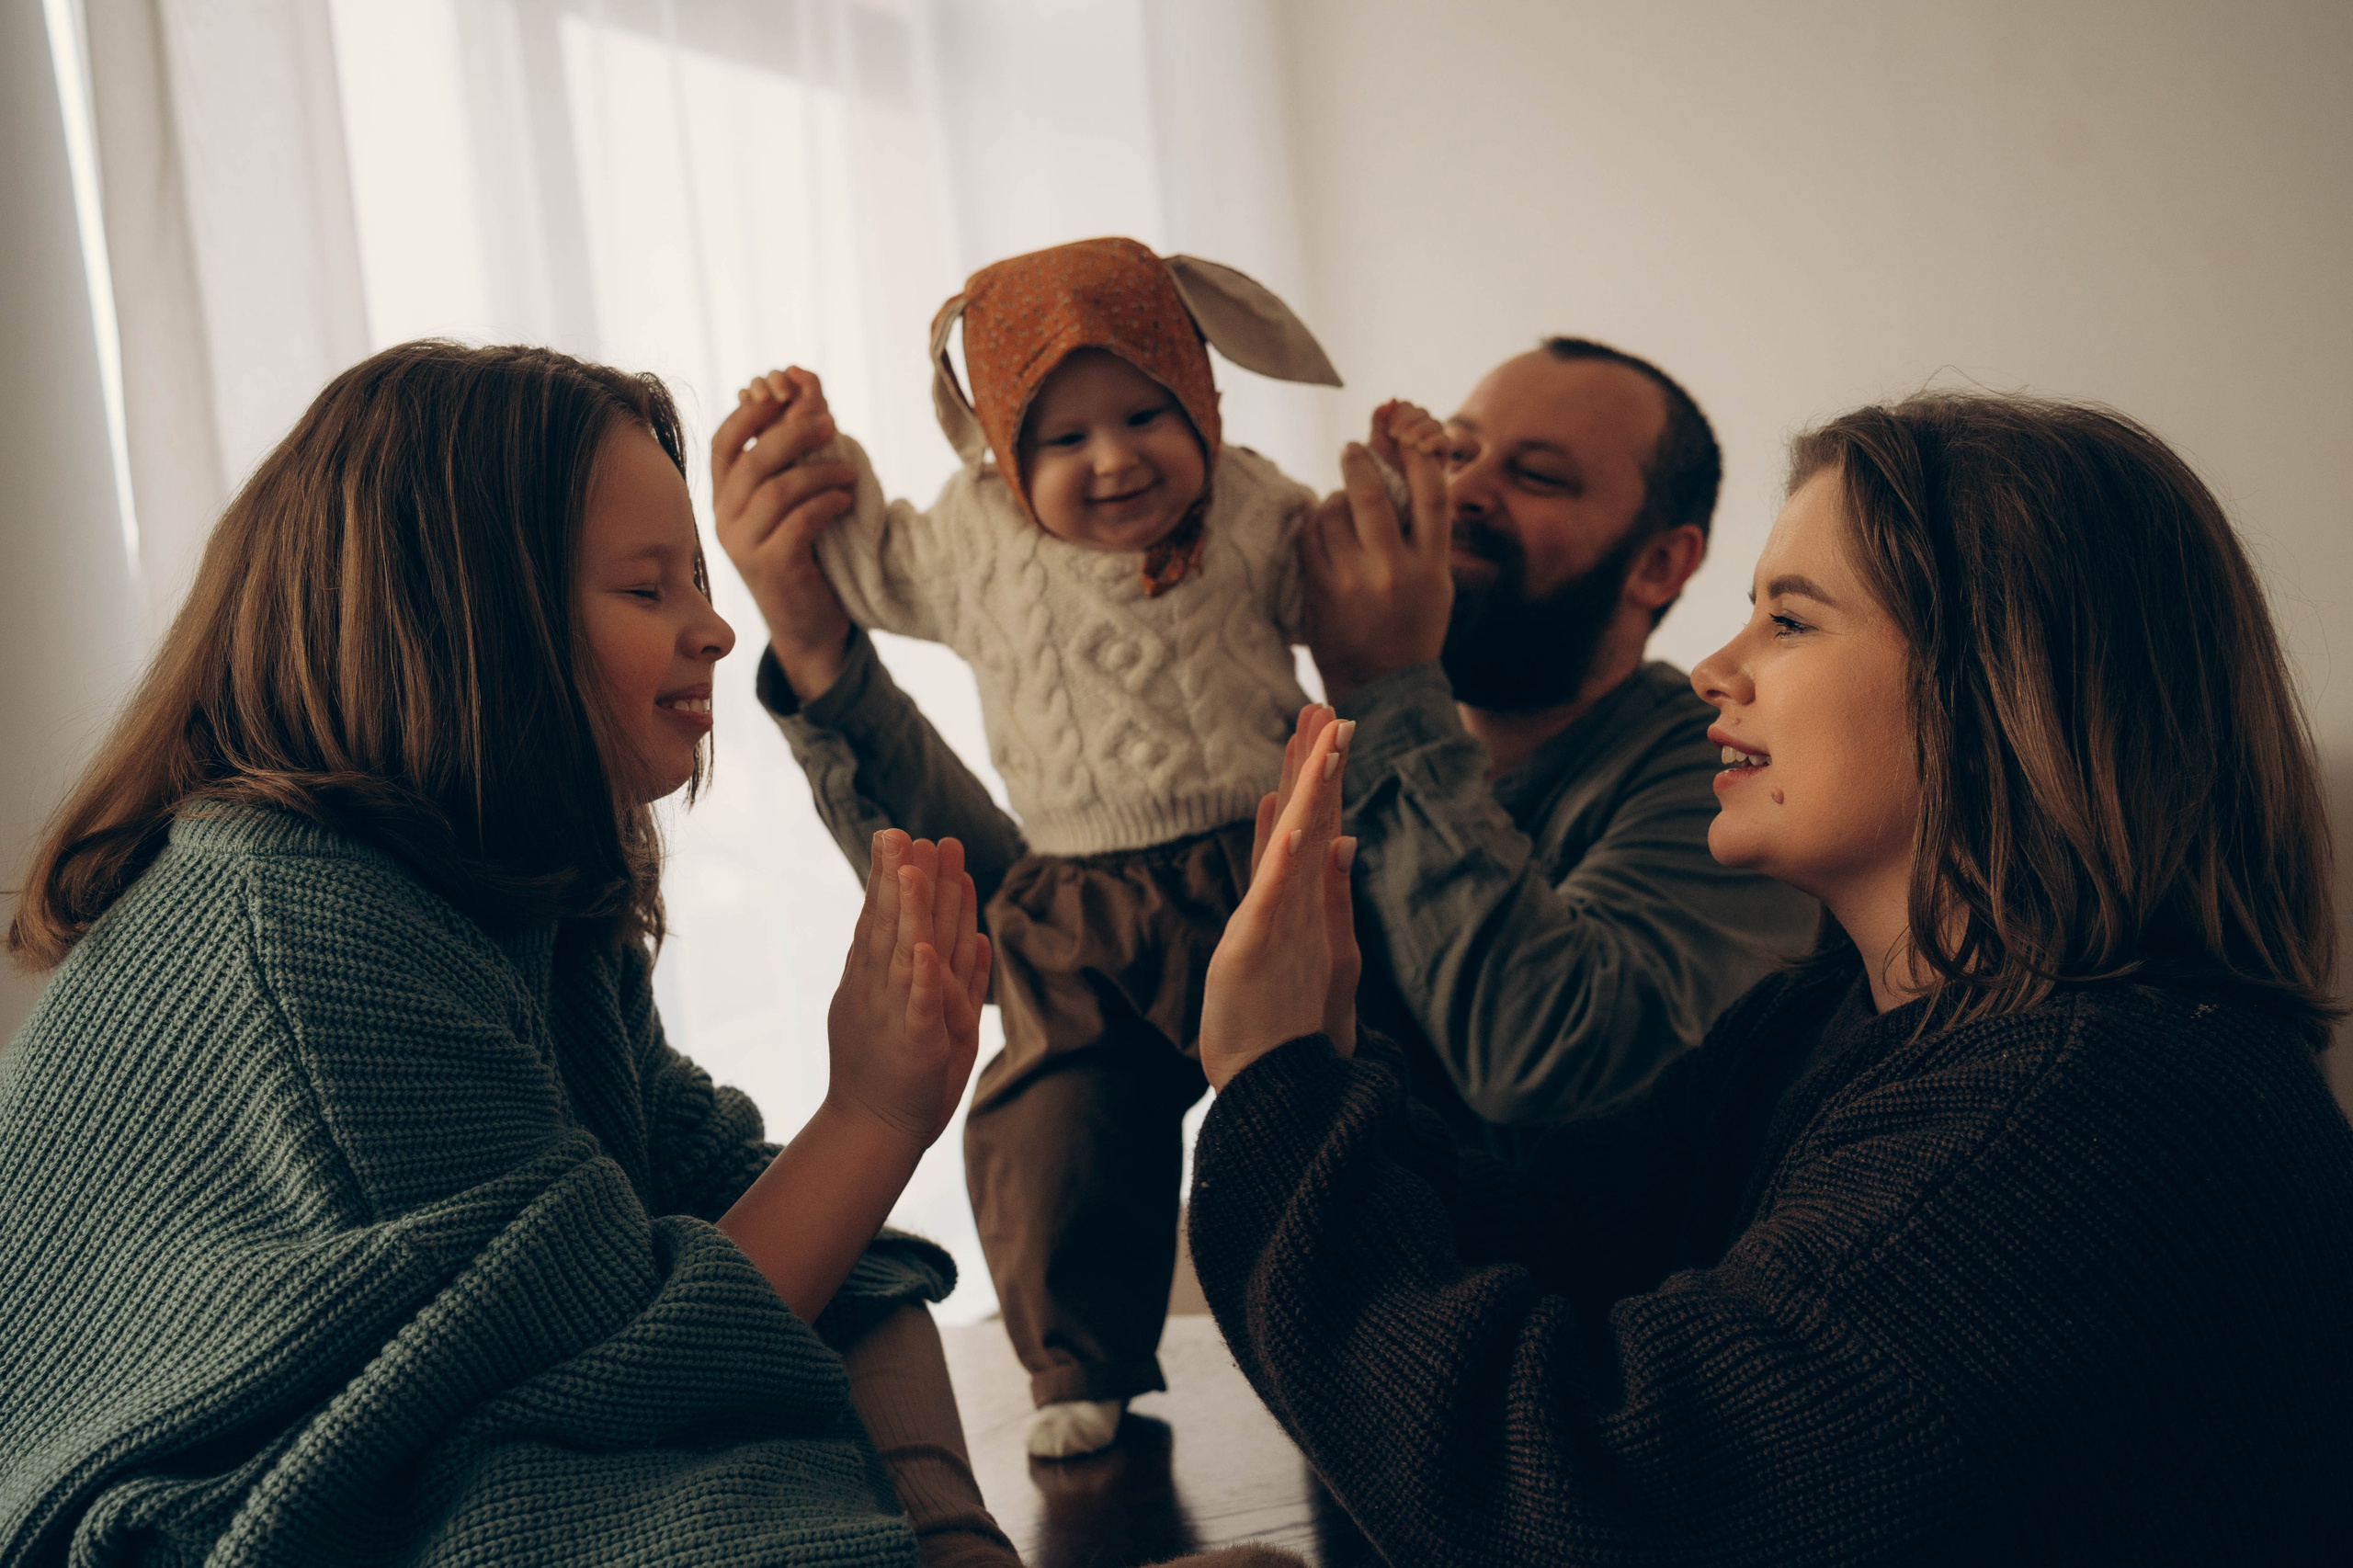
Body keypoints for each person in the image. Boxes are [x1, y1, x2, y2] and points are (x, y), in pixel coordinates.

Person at [1188, 392, 2353, 1563]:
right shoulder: (1830, 1019)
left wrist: (1277, 1082)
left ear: (2002, 674)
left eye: (1788, 621)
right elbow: (1544, 1237)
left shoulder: (2090, 1116)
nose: (1710, 668)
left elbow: (1591, 1504)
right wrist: (1316, 1055)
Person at [0, 342, 1020, 1568]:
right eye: (650, 591)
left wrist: (858, 1142)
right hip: (217, 1506)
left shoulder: (519, 894)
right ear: (471, 620)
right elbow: (621, 1356)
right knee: (616, 1493)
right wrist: (871, 1109)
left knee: (863, 1270)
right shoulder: (307, 922)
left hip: (460, 1402)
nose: (712, 627)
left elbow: (705, 1197)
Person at [723, 335, 1815, 1167]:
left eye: (1536, 476)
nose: (1463, 488)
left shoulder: (1721, 774)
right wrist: (823, 655)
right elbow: (1055, 947)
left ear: (1661, 564)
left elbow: (1542, 1057)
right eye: (1458, 447)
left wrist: (1385, 687)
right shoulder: (1318, 763)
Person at [714, 236, 1388, 1459]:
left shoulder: (1254, 505)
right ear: (995, 446)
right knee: (1054, 1120)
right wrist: (819, 462)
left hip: (1262, 871)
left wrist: (1396, 519)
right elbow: (865, 564)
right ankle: (1082, 1356)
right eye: (1063, 438)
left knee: (1338, 1092)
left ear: (1209, 399)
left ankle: (1374, 1330)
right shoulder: (975, 539)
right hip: (1076, 902)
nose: (1116, 458)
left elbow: (1355, 594)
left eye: (1146, 414)